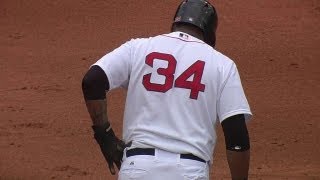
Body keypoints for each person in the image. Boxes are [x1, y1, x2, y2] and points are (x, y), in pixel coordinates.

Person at [81, 0, 252, 179]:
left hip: (138, 167)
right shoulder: (222, 65)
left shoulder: (138, 47)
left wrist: (105, 135)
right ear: (208, 34)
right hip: (189, 171)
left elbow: (92, 81)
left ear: (175, 24)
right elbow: (236, 136)